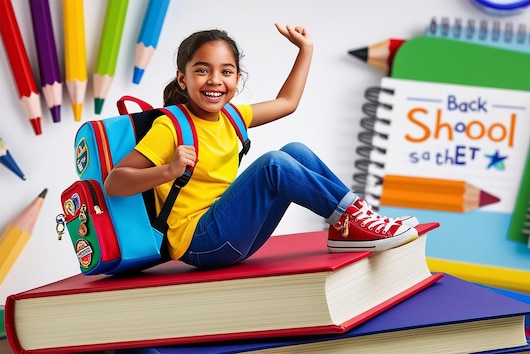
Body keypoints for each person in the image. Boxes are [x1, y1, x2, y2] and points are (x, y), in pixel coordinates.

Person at [103, 24, 420, 270]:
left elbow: (287, 102)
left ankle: (347, 225)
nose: (215, 80)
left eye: (225, 72)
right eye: (202, 70)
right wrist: (168, 170)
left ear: (237, 79)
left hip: (232, 231)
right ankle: (352, 218)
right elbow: (115, 183)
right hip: (200, 243)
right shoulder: (170, 126)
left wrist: (305, 49)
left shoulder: (232, 116)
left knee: (295, 151)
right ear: (182, 79)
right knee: (273, 164)